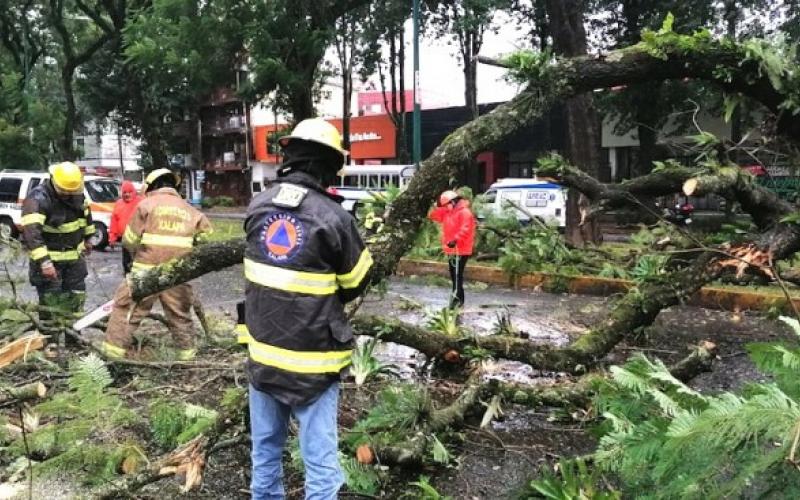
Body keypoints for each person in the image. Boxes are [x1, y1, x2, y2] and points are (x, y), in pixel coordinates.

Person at [243, 118, 372, 499]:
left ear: (290, 157)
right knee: (319, 461)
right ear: (329, 164)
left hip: (263, 358)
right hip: (313, 363)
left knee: (265, 454)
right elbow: (355, 283)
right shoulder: (335, 217)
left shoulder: (258, 205)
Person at [100, 168, 213, 361]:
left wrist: (138, 258)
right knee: (180, 316)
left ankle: (111, 360)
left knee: (126, 311)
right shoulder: (191, 210)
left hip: (145, 271)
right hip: (179, 273)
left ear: (150, 186)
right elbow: (206, 241)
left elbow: (129, 240)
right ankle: (187, 361)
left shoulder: (146, 205)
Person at [22, 162, 95, 324]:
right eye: (65, 192)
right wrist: (45, 263)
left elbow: (86, 216)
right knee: (51, 301)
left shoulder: (77, 195)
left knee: (76, 296)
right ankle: (51, 340)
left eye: (71, 192)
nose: (68, 195)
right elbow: (32, 235)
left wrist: (89, 238)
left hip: (74, 260)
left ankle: (73, 336)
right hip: (50, 262)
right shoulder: (37, 200)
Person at [428, 189, 476, 308]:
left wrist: (455, 239)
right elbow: (433, 215)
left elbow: (465, 229)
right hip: (451, 248)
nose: (446, 207)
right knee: (454, 275)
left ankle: (457, 300)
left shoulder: (465, 212)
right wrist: (435, 206)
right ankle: (458, 299)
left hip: (461, 248)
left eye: (447, 204)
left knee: (457, 275)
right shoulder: (448, 212)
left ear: (453, 202)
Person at [108, 180, 141, 274]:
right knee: (126, 263)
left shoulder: (141, 202)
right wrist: (112, 238)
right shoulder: (119, 203)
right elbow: (114, 222)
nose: (127, 194)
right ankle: (127, 280)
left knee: (138, 263)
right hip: (125, 239)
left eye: (129, 192)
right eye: (124, 192)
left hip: (138, 239)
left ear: (133, 192)